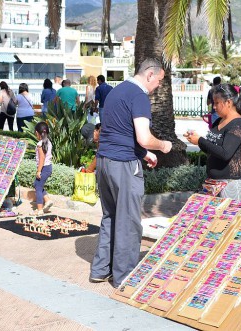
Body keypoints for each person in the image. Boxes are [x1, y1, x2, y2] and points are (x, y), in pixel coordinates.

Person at [90, 58, 172, 288]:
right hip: (123, 165)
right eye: (158, 81)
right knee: (128, 220)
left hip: (104, 162)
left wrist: (144, 153)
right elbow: (143, 137)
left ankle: (100, 269)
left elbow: (118, 131)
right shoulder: (139, 96)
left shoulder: (117, 92)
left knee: (110, 216)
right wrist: (163, 145)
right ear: (149, 75)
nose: (158, 86)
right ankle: (124, 276)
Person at [185, 84, 241, 201]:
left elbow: (225, 153)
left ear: (228, 103)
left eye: (217, 103)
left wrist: (200, 140)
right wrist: (197, 141)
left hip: (231, 183)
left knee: (229, 218)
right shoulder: (219, 121)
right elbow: (212, 149)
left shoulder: (238, 124)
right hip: (214, 182)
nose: (214, 107)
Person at [30, 122, 53, 216]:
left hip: (44, 168)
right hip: (48, 167)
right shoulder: (48, 141)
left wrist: (39, 171)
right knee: (36, 184)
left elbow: (42, 159)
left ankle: (39, 210)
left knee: (38, 188)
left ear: (37, 133)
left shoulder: (40, 144)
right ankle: (47, 201)